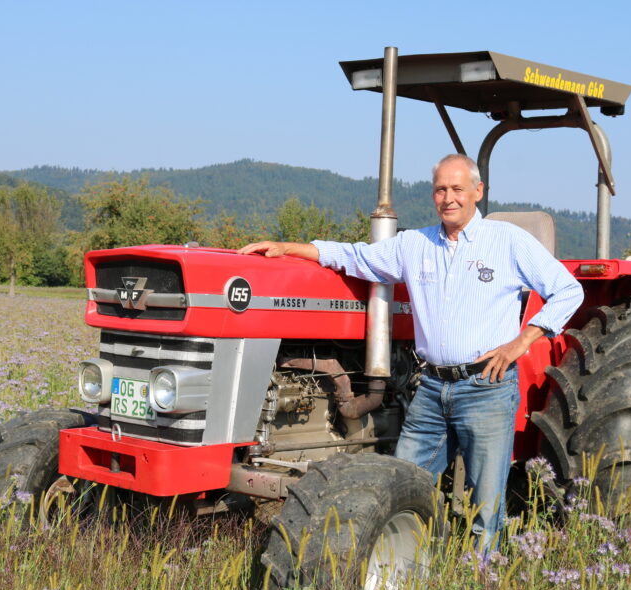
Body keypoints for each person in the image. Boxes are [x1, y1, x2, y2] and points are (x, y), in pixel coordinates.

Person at [238, 154, 583, 551]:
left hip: (485, 386)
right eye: (440, 190)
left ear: (478, 191)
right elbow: (355, 256)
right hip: (432, 388)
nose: (448, 198)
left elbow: (568, 290)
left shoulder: (507, 241)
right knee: (399, 480)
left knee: (486, 504)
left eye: (457, 189)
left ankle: (480, 576)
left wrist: (520, 342)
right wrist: (288, 248)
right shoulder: (415, 244)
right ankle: (405, 563)